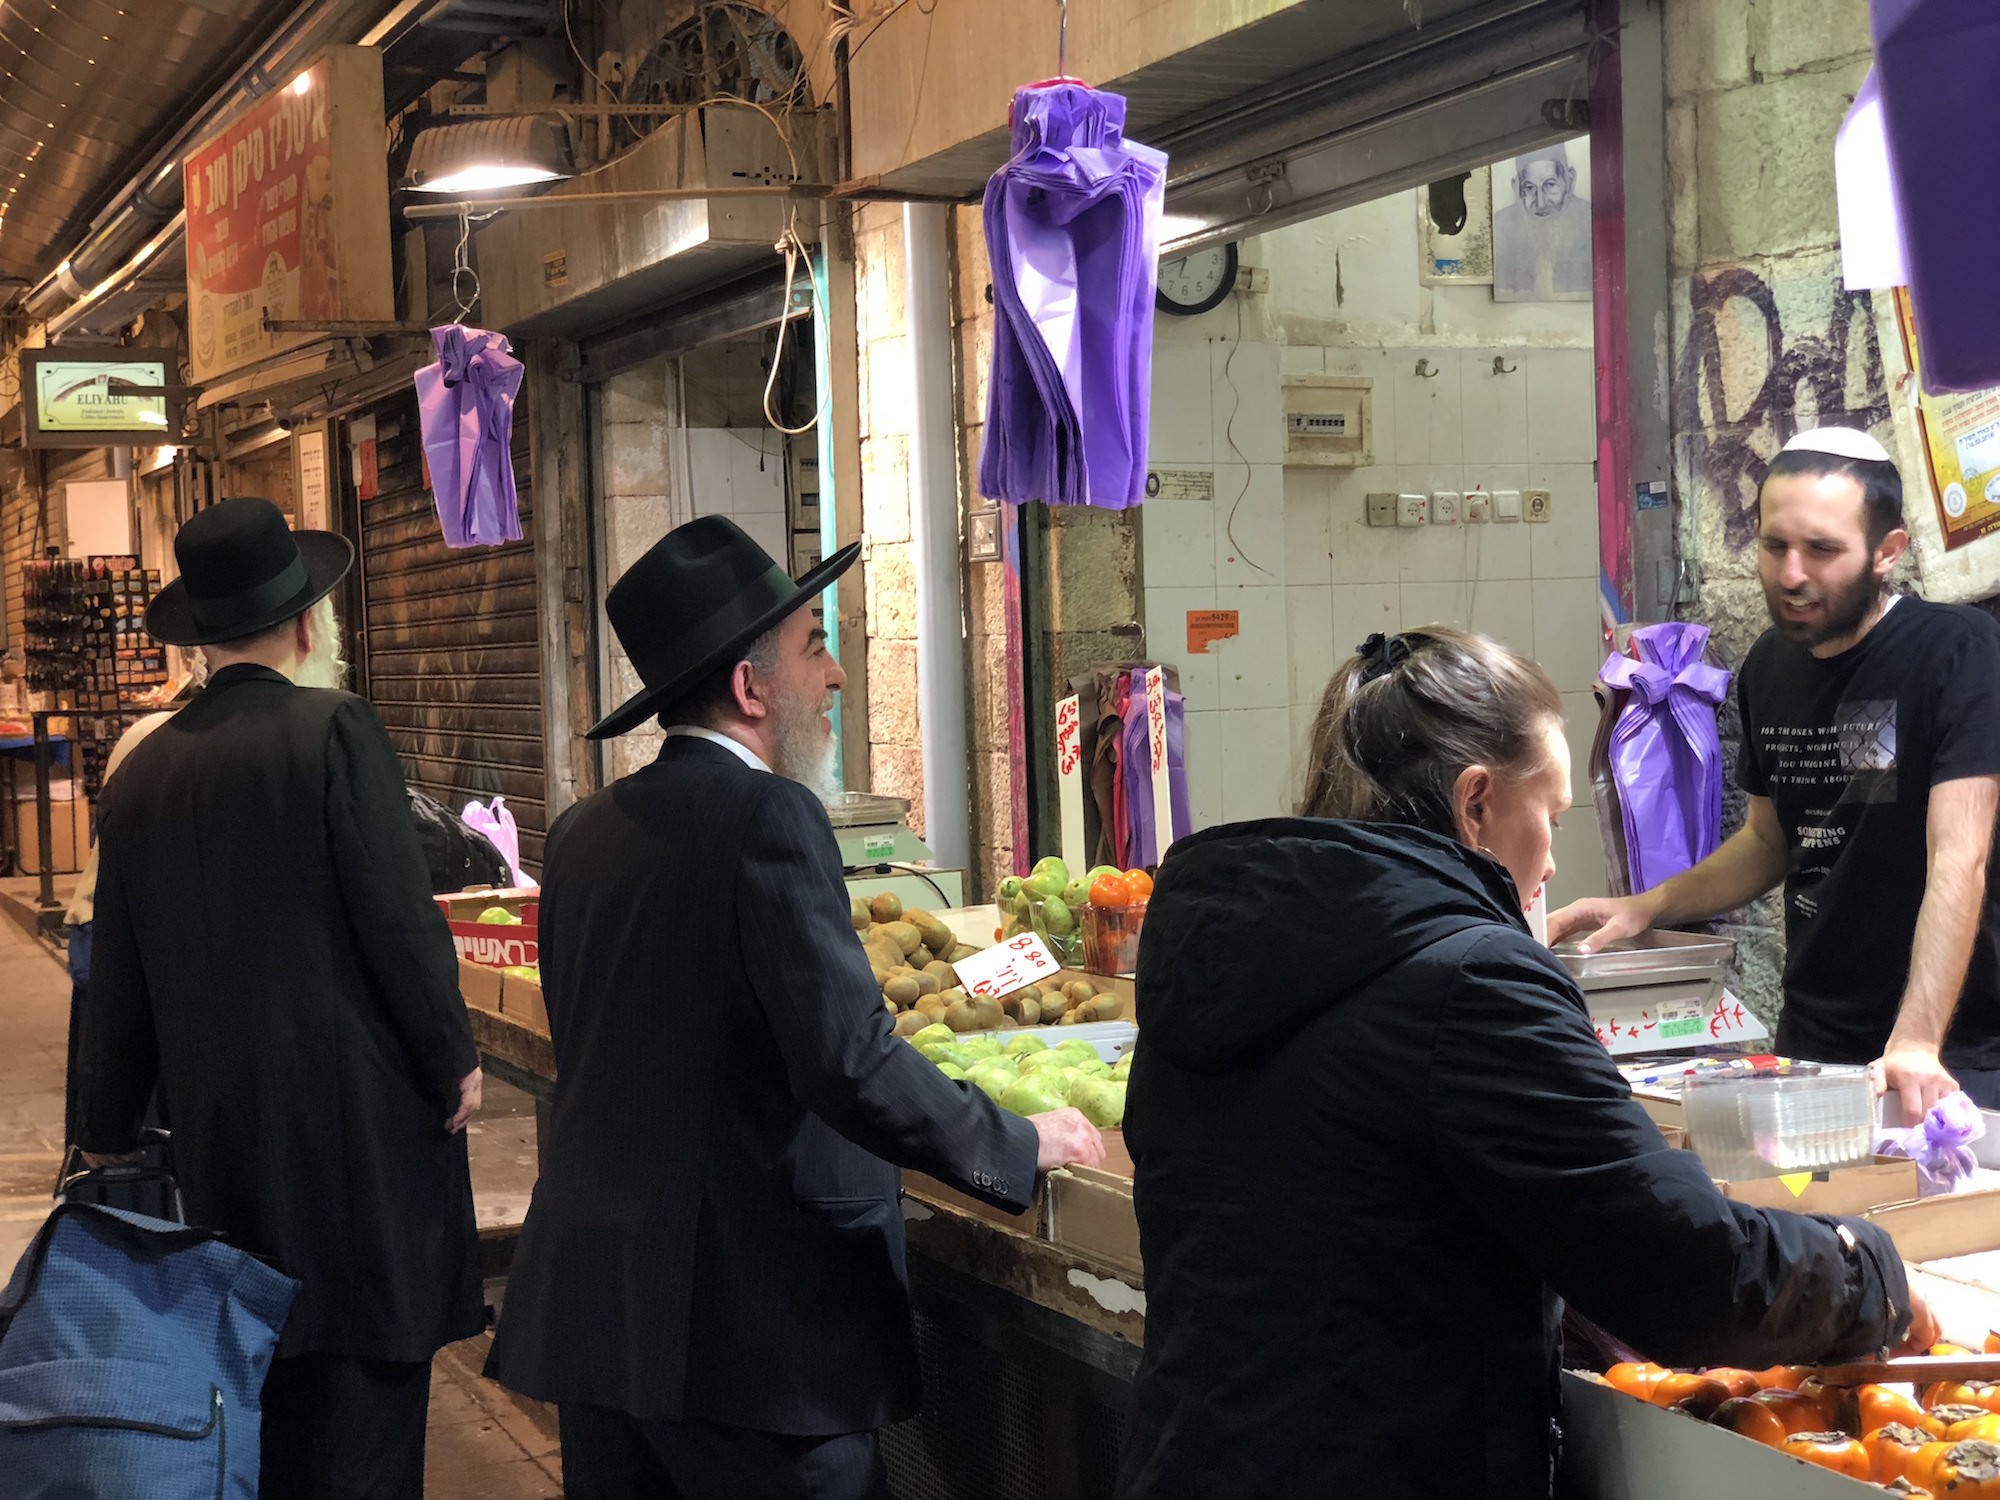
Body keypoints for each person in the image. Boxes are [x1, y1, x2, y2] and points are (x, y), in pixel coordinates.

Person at [1115, 627, 1932, 1499]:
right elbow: (1683, 1270)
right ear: (1476, 805)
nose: (1547, 858)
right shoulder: (1473, 979)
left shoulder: (1215, 951)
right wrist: (1871, 1276)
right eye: (1546, 815)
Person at [486, 516, 1105, 1499]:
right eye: (814, 646)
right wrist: (1014, 1145)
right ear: (749, 686)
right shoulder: (769, 817)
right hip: (748, 1336)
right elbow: (846, 1059)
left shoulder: (582, 831)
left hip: (602, 1322)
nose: (837, 677)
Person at [75, 496, 486, 1500]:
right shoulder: (333, 729)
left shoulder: (144, 769)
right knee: (367, 1410)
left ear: (204, 640)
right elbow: (397, 921)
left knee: (262, 1390)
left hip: (224, 1140)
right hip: (358, 1145)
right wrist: (452, 1059)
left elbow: (117, 970)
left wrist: (105, 1124)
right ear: (305, 625)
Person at [1552, 427, 2000, 1125]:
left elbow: (1960, 855)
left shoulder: (1958, 654)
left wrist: (1916, 1039)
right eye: (1774, 546)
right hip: (1816, 1044)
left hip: (1949, 1056)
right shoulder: (1768, 665)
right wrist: (1649, 906)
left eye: (1821, 550)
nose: (1791, 575)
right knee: (1812, 1229)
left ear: (1887, 553)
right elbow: (1769, 842)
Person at [1493, 139, 1591, 299]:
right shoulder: (1500, 228)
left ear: (1570, 180)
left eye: (1550, 185)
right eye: (1529, 188)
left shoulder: (1593, 222)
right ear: (1516, 188)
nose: (1541, 203)